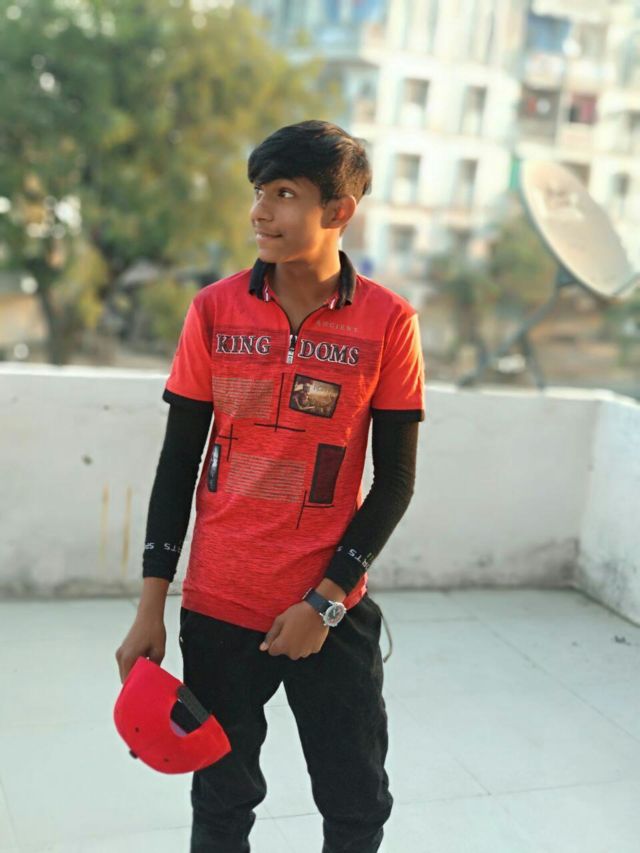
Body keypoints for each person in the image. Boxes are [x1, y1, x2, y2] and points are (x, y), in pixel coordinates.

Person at [115, 119, 425, 853]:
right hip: (219, 608)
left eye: (284, 194)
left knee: (356, 802)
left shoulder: (388, 322)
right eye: (259, 192)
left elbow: (395, 480)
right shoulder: (213, 311)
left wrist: (325, 601)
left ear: (338, 210)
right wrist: (151, 607)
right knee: (221, 800)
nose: (260, 211)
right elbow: (176, 465)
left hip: (329, 612)